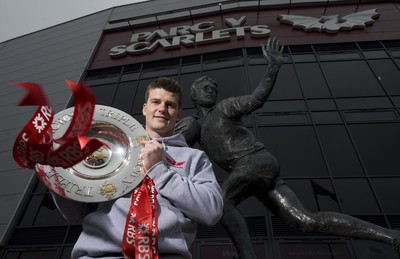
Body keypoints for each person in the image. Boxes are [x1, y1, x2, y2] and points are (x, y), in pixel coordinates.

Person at [175, 37, 400, 259]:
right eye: (205, 87)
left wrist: (273, 67)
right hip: (257, 171)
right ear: (193, 94)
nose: (211, 89)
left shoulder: (224, 108)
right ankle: (392, 236)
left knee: (221, 202)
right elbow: (176, 146)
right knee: (306, 221)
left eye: (214, 87)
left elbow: (256, 99)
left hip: (254, 162)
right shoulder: (195, 125)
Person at [52, 77, 224, 258]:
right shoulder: (111, 148)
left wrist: (159, 171)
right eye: (156, 102)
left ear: (179, 113)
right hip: (100, 255)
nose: (162, 109)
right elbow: (77, 215)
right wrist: (56, 177)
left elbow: (211, 211)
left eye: (170, 105)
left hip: (165, 255)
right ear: (144, 108)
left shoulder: (194, 157)